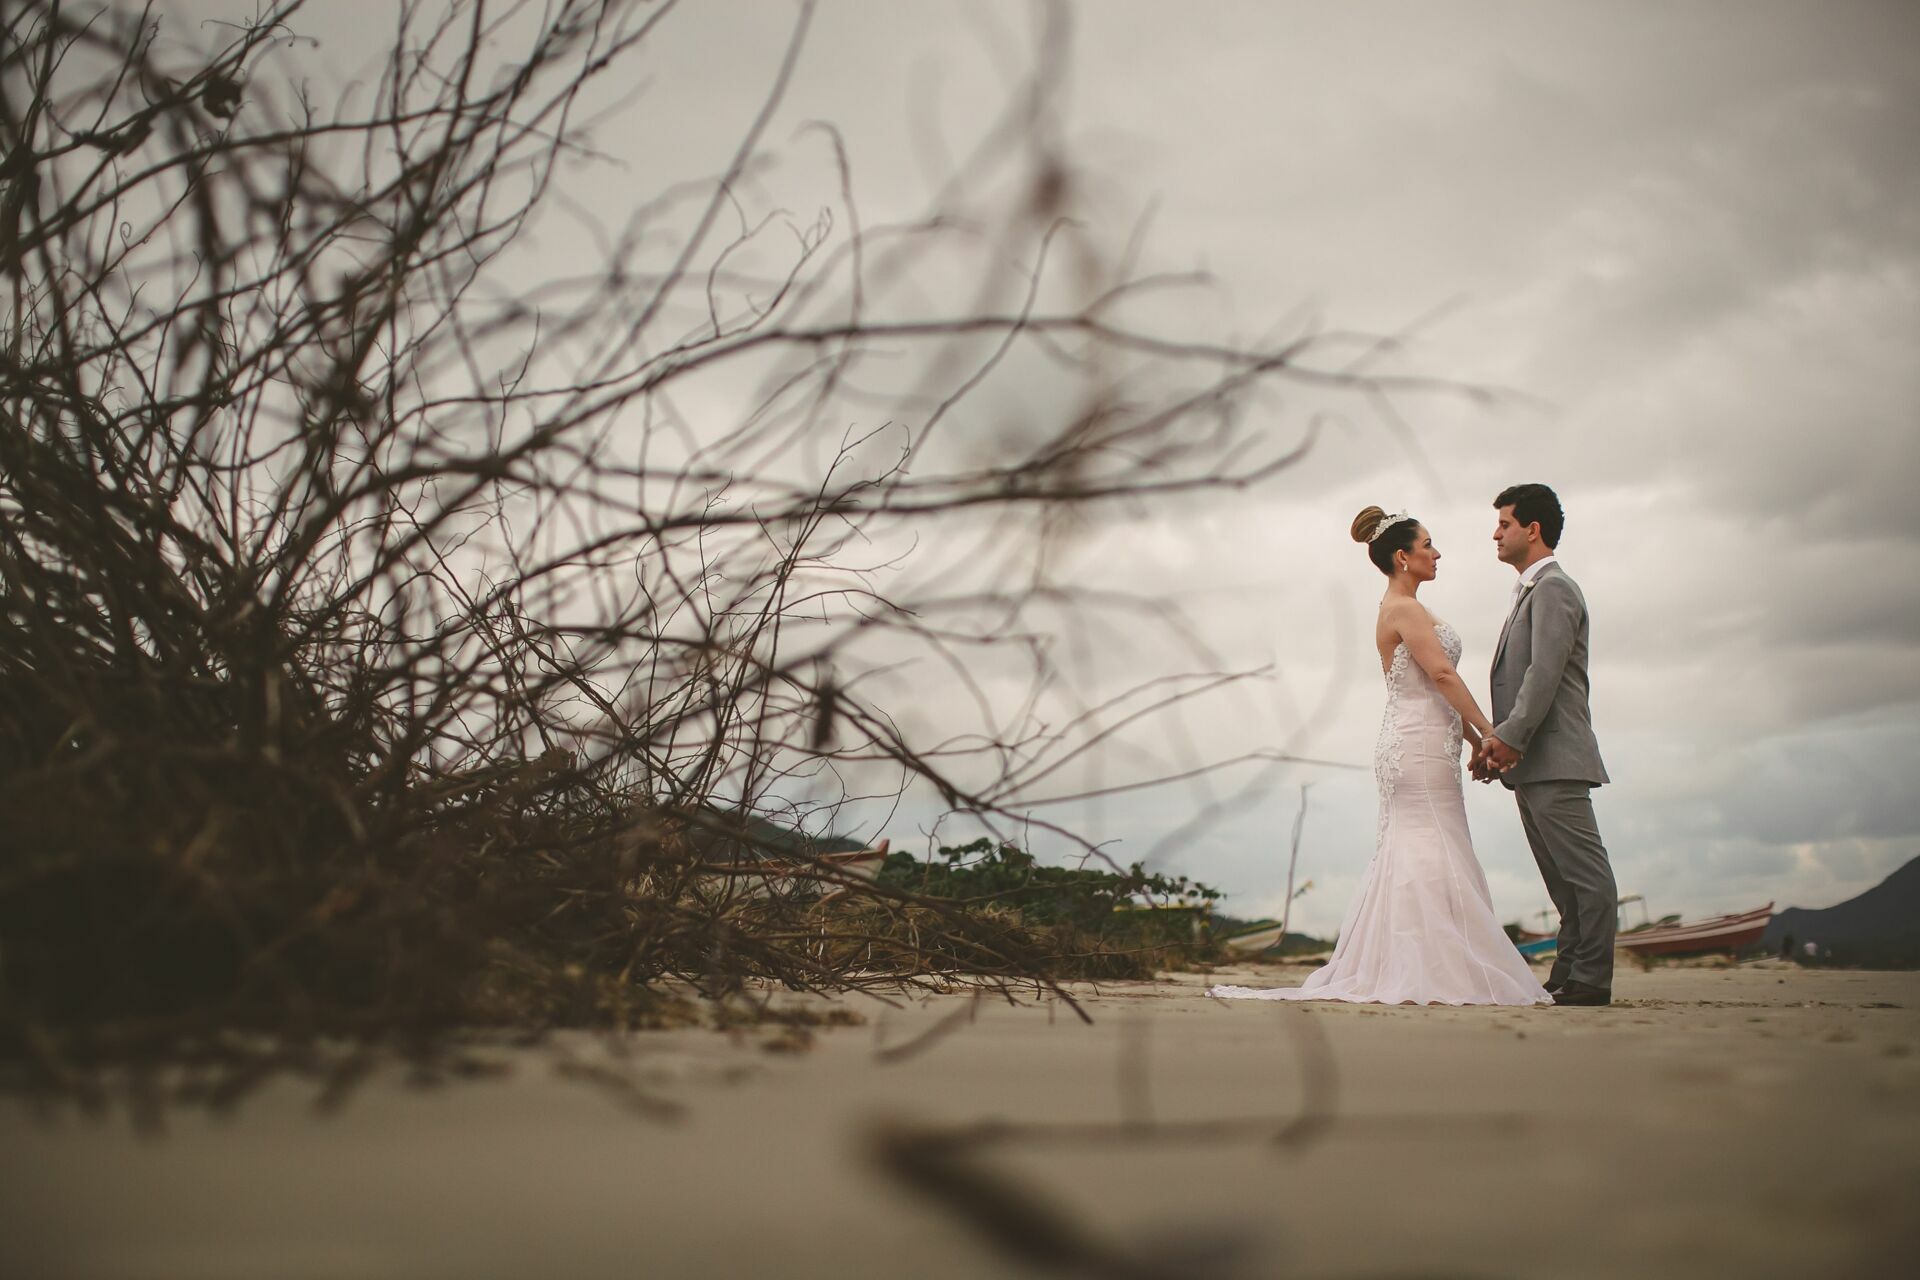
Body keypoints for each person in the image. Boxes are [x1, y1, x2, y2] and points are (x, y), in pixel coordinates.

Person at [1208, 508, 1551, 1006]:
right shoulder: (1404, 609)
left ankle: (1424, 958)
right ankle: (1431, 964)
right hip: (1417, 742)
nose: (1437, 553)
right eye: (1428, 545)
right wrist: (1490, 731)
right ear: (1402, 557)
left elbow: (1437, 685)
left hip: (1425, 738)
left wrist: (1476, 745)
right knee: (1427, 845)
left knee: (1426, 843)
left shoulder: (1406, 605)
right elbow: (1442, 677)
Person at [1475, 484, 1617, 1007]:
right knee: (1561, 882)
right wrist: (1500, 745)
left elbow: (1544, 674)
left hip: (1554, 754)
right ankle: (1569, 971)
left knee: (1585, 875)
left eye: (1504, 524)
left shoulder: (1555, 588)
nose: (1496, 533)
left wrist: (1507, 738)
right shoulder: (1531, 591)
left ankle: (1592, 979)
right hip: (1531, 758)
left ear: (1531, 530)